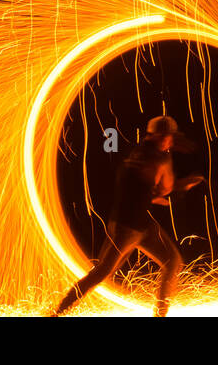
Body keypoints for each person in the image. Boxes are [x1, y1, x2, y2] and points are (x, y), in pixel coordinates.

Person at [52, 115, 205, 317]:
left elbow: (143, 191)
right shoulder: (161, 158)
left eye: (171, 138)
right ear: (156, 136)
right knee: (101, 273)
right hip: (129, 228)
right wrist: (184, 185)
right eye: (167, 137)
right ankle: (57, 312)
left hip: (131, 222)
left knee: (172, 261)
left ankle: (160, 314)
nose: (169, 141)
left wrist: (160, 194)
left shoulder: (135, 152)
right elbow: (165, 190)